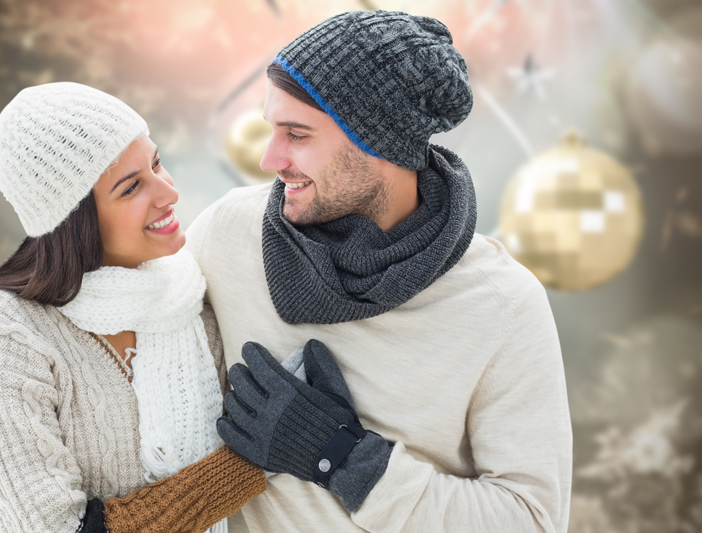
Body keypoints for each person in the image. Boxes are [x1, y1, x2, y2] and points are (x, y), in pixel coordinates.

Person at [191, 10, 573, 533]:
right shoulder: (229, 235)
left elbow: (532, 520)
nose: (269, 159)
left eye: (297, 135)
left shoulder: (501, 303)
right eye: (271, 128)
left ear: (381, 144)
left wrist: (344, 458)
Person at [0, 81, 311, 533]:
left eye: (156, 162)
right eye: (131, 188)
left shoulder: (192, 295)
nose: (167, 192)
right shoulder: (8, 327)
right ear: (72, 221)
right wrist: (250, 465)